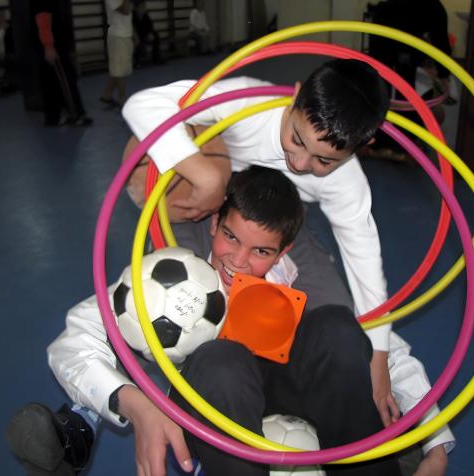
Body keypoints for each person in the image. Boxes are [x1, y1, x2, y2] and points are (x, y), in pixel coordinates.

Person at [7, 166, 403, 476]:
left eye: (262, 250)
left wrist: (433, 430)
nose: (239, 261)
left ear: (283, 251)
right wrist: (139, 406)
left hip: (283, 387)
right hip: (209, 398)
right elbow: (71, 342)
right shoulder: (171, 271)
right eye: (230, 237)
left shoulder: (307, 274)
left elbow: (373, 345)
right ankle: (79, 426)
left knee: (337, 325)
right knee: (221, 359)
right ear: (214, 223)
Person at [122, 59, 399, 427]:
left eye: (324, 160)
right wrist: (204, 176)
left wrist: (378, 358)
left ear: (361, 147)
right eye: (297, 139)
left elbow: (366, 265)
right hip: (216, 211)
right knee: (171, 297)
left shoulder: (347, 183)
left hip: (278, 223)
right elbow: (142, 105)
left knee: (338, 321)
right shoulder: (249, 102)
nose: (300, 163)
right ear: (295, 95)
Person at [365, 0, 453, 160]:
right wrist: (443, 73)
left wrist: (442, 72)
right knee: (395, 91)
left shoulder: (433, 8)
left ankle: (386, 141)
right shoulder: (435, 8)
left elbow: (440, 43)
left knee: (392, 90)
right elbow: (441, 43)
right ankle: (397, 143)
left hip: (396, 44)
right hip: (390, 41)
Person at [32, 0, 92, 126]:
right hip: (53, 46)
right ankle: (75, 115)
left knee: (53, 83)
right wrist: (48, 45)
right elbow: (43, 19)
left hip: (52, 45)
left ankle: (54, 117)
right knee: (65, 80)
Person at [100, 0, 134, 107]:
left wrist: (134, 34)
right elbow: (125, 10)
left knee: (119, 69)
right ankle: (122, 99)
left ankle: (107, 94)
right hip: (118, 35)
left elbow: (128, 17)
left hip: (125, 34)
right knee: (120, 71)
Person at [132, 0, 163, 67]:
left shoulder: (146, 15)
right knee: (137, 41)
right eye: (141, 6)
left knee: (156, 36)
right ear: (136, 8)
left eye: (144, 6)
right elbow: (133, 29)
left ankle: (156, 57)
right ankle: (137, 61)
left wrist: (150, 33)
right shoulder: (132, 16)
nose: (143, 8)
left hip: (145, 35)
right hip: (136, 35)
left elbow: (150, 26)